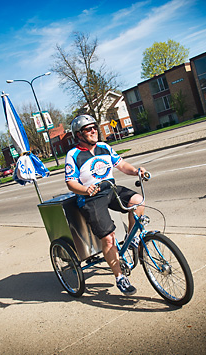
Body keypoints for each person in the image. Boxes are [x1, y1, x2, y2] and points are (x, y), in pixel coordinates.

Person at [65, 114, 147, 295]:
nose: (94, 130)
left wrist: (136, 171)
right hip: (91, 197)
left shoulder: (104, 147)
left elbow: (121, 164)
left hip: (110, 189)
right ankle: (120, 278)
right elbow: (70, 182)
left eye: (94, 127)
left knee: (138, 201)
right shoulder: (74, 154)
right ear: (79, 134)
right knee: (109, 238)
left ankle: (131, 238)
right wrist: (86, 190)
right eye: (88, 129)